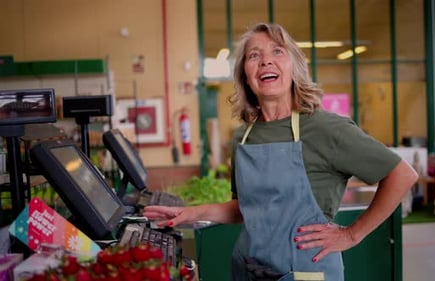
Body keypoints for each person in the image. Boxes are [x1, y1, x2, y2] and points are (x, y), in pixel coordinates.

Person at [143, 22, 418, 281]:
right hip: (249, 269)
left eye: (277, 51)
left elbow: (401, 175)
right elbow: (246, 209)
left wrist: (351, 235)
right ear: (246, 76)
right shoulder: (245, 136)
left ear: (295, 67)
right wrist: (190, 213)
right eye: (254, 55)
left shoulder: (325, 128)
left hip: (305, 272)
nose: (265, 60)